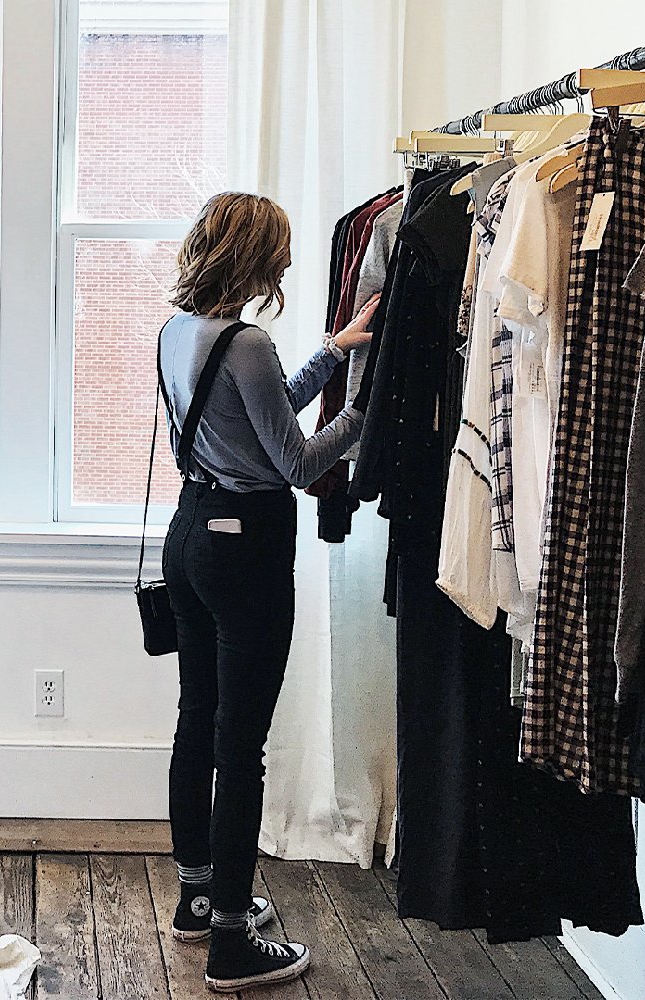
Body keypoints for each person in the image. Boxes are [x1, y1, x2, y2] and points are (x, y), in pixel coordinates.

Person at [159, 191, 377, 993]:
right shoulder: (247, 341)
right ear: (255, 258)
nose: (286, 263)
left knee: (196, 720)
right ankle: (230, 944)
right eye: (279, 251)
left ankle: (196, 899)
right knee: (239, 747)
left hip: (191, 538)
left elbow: (259, 413)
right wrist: (365, 409)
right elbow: (295, 460)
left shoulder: (180, 331)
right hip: (246, 552)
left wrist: (331, 348)